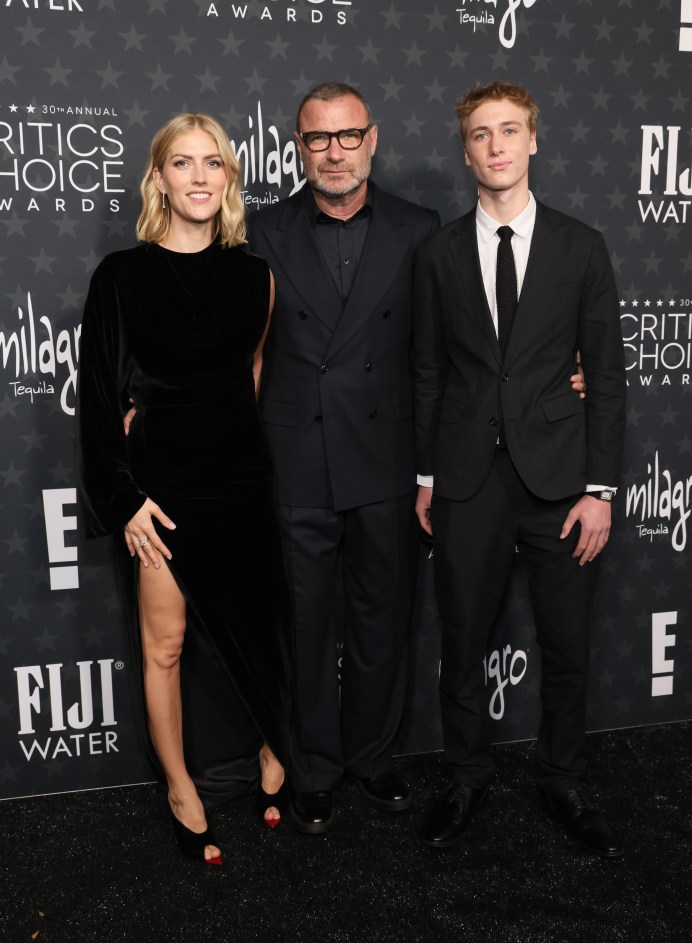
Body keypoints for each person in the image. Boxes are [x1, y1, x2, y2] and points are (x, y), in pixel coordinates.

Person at [413, 81, 626, 857]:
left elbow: (605, 375)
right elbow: (428, 372)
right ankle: (466, 775)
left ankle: (563, 775)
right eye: (480, 134)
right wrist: (427, 475)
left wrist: (601, 488)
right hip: (468, 481)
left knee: (568, 642)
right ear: (464, 148)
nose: (496, 145)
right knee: (462, 642)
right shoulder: (437, 254)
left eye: (509, 131)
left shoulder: (582, 246)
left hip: (564, 482)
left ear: (534, 140)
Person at [77, 113, 292, 864]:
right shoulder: (121, 278)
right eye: (182, 163)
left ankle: (275, 745)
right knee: (163, 646)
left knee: (261, 630)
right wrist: (126, 497)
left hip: (240, 481)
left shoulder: (254, 277)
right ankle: (178, 785)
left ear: (229, 177)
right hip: (162, 491)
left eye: (213, 163)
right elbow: (101, 402)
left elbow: (250, 382)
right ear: (158, 177)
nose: (199, 177)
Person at [247, 82, 441, 834]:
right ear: (299, 147)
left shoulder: (420, 227)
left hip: (387, 460)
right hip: (296, 458)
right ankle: (315, 767)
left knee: (381, 619)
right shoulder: (262, 230)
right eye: (318, 139)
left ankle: (373, 755)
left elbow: (449, 345)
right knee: (303, 622)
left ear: (374, 139)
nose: (335, 151)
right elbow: (228, 339)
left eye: (348, 135)